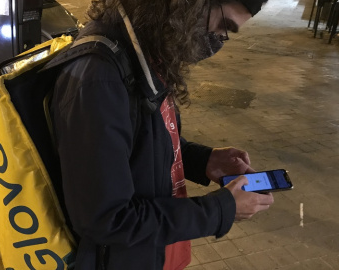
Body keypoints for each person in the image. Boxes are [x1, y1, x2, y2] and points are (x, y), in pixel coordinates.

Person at [49, 0, 274, 269]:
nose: (218, 41)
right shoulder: (99, 78)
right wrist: (220, 210)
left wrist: (203, 161)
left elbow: (139, 144)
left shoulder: (145, 46)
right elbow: (107, 219)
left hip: (149, 253)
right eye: (222, 26)